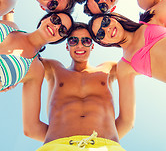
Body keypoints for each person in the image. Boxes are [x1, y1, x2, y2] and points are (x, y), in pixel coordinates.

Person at [22, 22, 135, 151]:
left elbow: (135, 58)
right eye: (73, 40)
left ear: (92, 46)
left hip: (106, 146)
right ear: (67, 46)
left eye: (86, 41)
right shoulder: (54, 68)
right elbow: (25, 57)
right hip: (57, 146)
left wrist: (106, 138)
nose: (80, 45)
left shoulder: (108, 68)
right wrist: (9, 12)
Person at [88, 0, 166, 83]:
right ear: (104, 42)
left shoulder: (149, 19)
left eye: (105, 21)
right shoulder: (125, 64)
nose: (107, 29)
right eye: (100, 34)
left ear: (113, 18)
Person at [0, 10, 73, 91]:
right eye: (56, 19)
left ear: (59, 40)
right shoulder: (10, 26)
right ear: (44, 19)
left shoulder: (35, 70)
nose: (57, 27)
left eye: (62, 30)